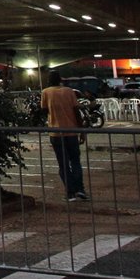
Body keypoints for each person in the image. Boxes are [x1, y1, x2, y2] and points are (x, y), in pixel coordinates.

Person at [40, 71, 87, 201]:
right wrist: (81, 130)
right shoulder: (69, 91)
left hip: (56, 132)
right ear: (60, 79)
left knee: (63, 164)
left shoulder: (46, 92)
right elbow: (76, 111)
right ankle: (80, 190)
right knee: (76, 161)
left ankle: (70, 192)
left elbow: (44, 110)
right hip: (71, 131)